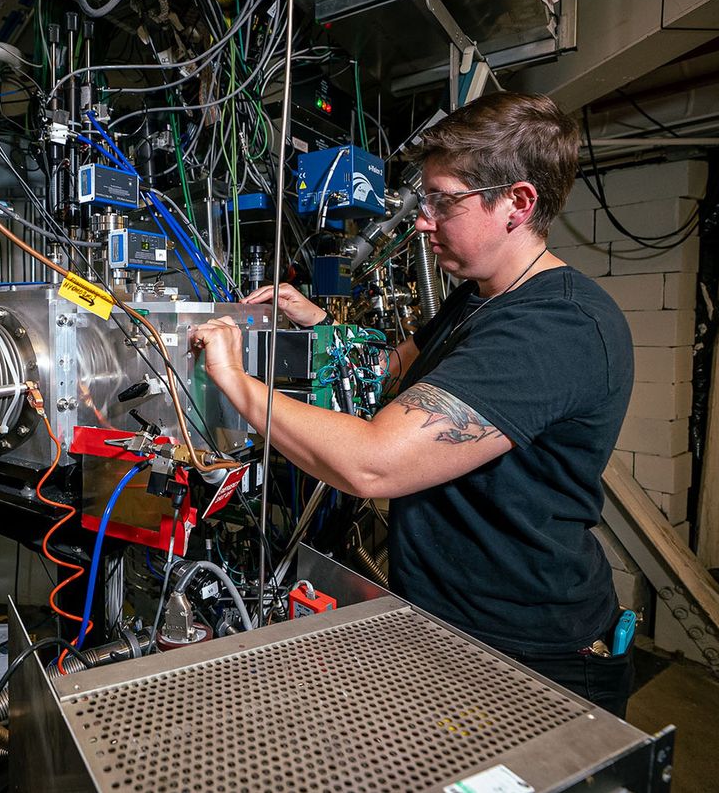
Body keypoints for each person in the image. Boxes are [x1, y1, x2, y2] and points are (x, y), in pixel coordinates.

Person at [190, 91, 635, 716]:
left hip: (530, 654)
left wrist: (234, 382)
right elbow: (389, 374)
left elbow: (374, 463)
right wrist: (316, 324)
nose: (422, 219)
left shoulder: (556, 325)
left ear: (518, 202)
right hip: (446, 624)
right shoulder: (478, 297)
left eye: (442, 201)